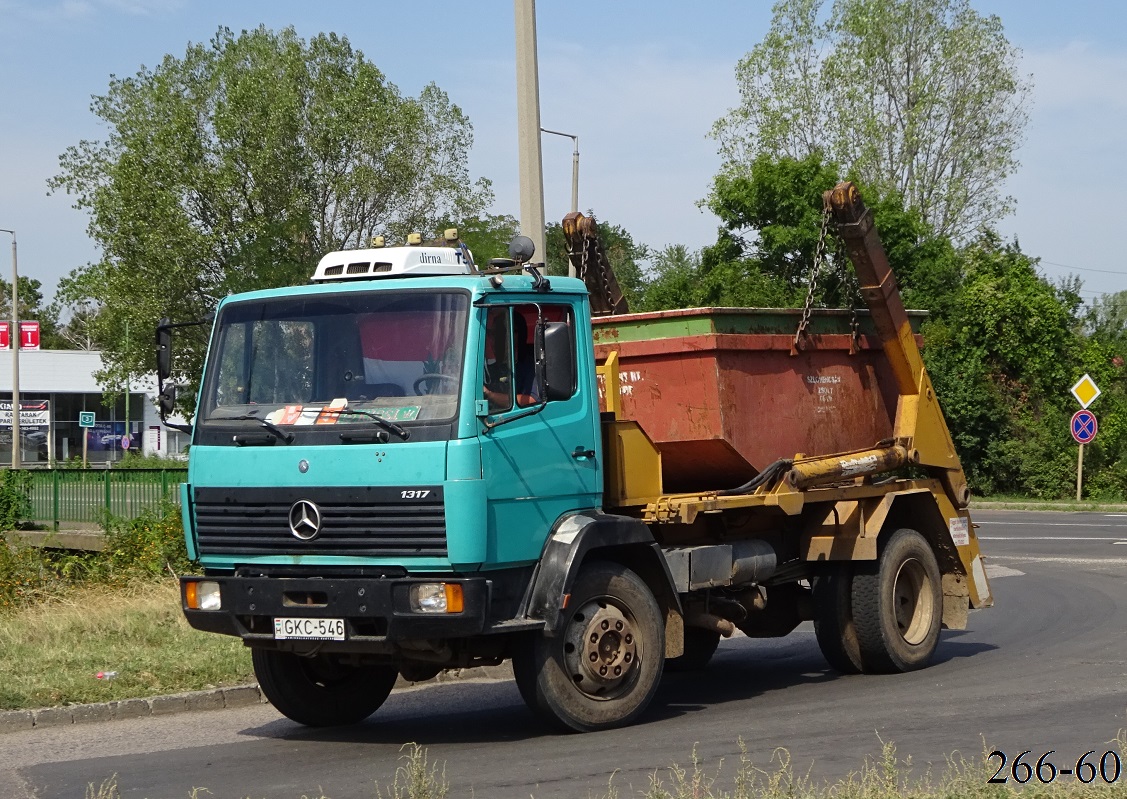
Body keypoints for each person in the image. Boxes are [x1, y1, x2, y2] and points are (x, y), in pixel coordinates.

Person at [483, 308, 540, 410]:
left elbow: (533, 400)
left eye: (500, 333)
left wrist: (490, 395)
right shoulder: (489, 366)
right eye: (492, 333)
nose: (494, 338)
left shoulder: (530, 366)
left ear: (517, 335)